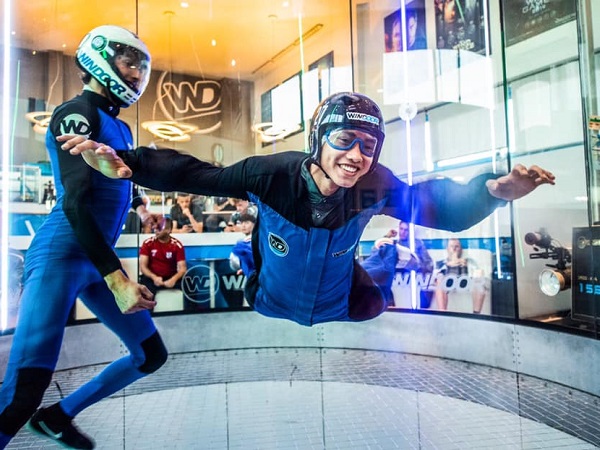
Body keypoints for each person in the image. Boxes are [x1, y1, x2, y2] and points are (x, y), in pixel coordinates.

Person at [60, 91, 555, 327]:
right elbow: (196, 174)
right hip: (270, 293)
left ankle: (362, 262)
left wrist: (492, 190)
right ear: (319, 140)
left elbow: (440, 209)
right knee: (262, 261)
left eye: (369, 146)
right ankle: (251, 253)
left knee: (373, 300)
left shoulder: (374, 185)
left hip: (339, 299)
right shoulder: (272, 176)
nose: (357, 156)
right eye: (345, 140)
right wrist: (128, 162)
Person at [0, 25, 167, 450]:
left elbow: (115, 178)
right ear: (100, 60)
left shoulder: (120, 128)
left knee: (150, 355)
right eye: (129, 62)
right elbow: (75, 202)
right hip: (61, 254)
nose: (136, 74)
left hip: (95, 257)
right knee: (23, 391)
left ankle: (56, 417)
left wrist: (141, 207)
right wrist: (118, 278)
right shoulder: (76, 113)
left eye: (141, 67)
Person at [380, 220, 434, 308]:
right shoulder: (394, 243)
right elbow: (379, 251)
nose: (403, 232)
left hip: (414, 276)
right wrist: (387, 236)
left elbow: (429, 263)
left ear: (410, 231)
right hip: (397, 277)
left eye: (406, 230)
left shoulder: (417, 244)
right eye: (401, 229)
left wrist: (418, 266)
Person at [139, 217, 187, 300]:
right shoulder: (148, 243)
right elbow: (143, 267)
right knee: (145, 288)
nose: (156, 230)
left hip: (170, 276)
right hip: (151, 277)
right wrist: (154, 277)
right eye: (155, 228)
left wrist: (173, 279)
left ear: (168, 230)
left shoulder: (177, 245)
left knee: (188, 285)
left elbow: (182, 269)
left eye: (159, 228)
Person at [434, 238, 487, 313]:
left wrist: (467, 265)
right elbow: (434, 275)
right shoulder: (441, 263)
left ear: (461, 249)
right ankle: (442, 313)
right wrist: (448, 265)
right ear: (447, 249)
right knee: (439, 279)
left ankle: (476, 313)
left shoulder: (469, 261)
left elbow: (479, 271)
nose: (454, 249)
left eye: (457, 246)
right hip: (447, 283)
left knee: (479, 279)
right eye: (451, 246)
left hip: (465, 282)